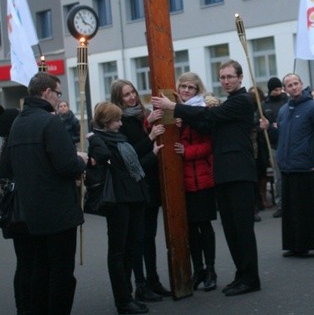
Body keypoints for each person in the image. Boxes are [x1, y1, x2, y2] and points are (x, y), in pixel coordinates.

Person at [152, 60, 261, 297]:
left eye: (230, 77)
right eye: (222, 77)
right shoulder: (227, 103)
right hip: (224, 174)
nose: (225, 81)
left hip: (239, 173)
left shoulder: (242, 100)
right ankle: (242, 274)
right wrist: (177, 115)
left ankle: (251, 278)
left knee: (242, 229)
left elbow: (207, 114)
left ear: (240, 78)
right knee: (231, 230)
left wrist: (175, 106)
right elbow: (204, 122)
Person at [3, 72, 88, 315]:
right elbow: (67, 165)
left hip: (31, 212)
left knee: (40, 270)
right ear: (47, 92)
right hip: (58, 211)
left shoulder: (17, 123)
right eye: (58, 93)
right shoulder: (50, 123)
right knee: (61, 273)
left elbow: (8, 167)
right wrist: (81, 160)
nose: (58, 98)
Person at [89, 101, 164, 315]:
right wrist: (94, 137)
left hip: (135, 196)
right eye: (117, 120)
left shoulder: (119, 138)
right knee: (118, 251)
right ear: (106, 122)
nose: (121, 124)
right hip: (118, 200)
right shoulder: (99, 139)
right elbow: (103, 156)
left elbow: (135, 166)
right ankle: (122, 299)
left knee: (132, 247)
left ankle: (128, 295)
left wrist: (153, 154)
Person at [109, 79, 169, 302]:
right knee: (137, 239)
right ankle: (141, 284)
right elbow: (129, 155)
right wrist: (151, 138)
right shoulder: (120, 121)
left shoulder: (138, 116)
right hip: (135, 185)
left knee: (149, 237)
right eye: (126, 95)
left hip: (149, 184)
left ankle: (153, 280)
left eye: (133, 92)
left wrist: (147, 123)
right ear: (118, 99)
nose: (132, 97)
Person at [269, 73, 314, 258]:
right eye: (289, 85)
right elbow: (280, 138)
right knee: (294, 211)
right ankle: (296, 245)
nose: (293, 87)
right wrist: (267, 128)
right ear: (285, 89)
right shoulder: (284, 110)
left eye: (296, 83)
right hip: (289, 166)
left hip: (309, 165)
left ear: (301, 84)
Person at [173, 72, 218, 292]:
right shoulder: (175, 110)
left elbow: (209, 145)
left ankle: (211, 270)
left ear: (198, 90)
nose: (187, 91)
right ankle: (198, 269)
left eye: (192, 88)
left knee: (204, 226)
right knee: (190, 228)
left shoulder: (203, 109)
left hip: (202, 178)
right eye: (184, 87)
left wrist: (187, 151)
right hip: (182, 179)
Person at [0, 104, 32, 314]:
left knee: (24, 262)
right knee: (27, 263)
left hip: (13, 215)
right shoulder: (12, 150)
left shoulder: (4, 149)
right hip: (20, 215)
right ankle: (24, 306)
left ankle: (24, 305)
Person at [262, 77, 287, 218]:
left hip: (288, 142)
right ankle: (280, 204)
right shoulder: (264, 104)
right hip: (273, 144)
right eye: (276, 89)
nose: (279, 92)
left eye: (280, 89)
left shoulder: (287, 101)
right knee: (278, 176)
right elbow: (259, 121)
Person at [249, 85, 269, 221]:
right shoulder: (247, 111)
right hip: (250, 147)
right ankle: (256, 203)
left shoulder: (262, 109)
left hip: (260, 146)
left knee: (261, 173)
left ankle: (262, 198)